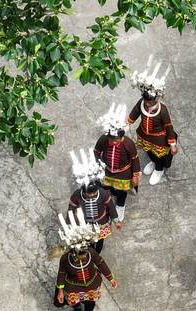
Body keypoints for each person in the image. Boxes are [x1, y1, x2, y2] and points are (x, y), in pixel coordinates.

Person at [52, 210, 118, 311]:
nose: (83, 255)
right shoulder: (65, 259)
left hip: (92, 284)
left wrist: (111, 278)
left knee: (90, 303)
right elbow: (61, 274)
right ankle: (77, 309)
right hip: (73, 286)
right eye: (79, 253)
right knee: (73, 300)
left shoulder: (91, 252)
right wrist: (60, 290)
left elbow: (101, 263)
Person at [128, 57, 178, 186]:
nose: (149, 104)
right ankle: (154, 162)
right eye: (147, 102)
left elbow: (169, 127)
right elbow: (135, 112)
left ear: (156, 98)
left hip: (159, 139)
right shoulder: (142, 102)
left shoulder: (163, 110)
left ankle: (159, 169)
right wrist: (128, 122)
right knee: (149, 151)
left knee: (160, 155)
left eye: (151, 102)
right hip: (144, 134)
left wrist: (172, 144)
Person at [94, 102, 140, 222]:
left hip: (123, 173)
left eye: (116, 140)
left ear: (121, 136)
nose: (113, 142)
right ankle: (106, 202)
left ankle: (120, 205)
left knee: (121, 192)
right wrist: (99, 164)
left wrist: (135, 175)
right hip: (107, 170)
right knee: (104, 187)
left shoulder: (129, 144)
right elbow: (96, 151)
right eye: (111, 139)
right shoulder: (103, 139)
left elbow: (135, 159)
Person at [67, 180, 119, 254]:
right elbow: (71, 208)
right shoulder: (77, 194)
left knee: (100, 240)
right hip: (85, 224)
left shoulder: (103, 193)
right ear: (83, 190)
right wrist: (69, 223)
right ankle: (90, 253)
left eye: (94, 193)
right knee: (87, 240)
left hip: (101, 222)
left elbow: (111, 207)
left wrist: (116, 220)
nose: (91, 195)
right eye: (89, 193)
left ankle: (97, 253)